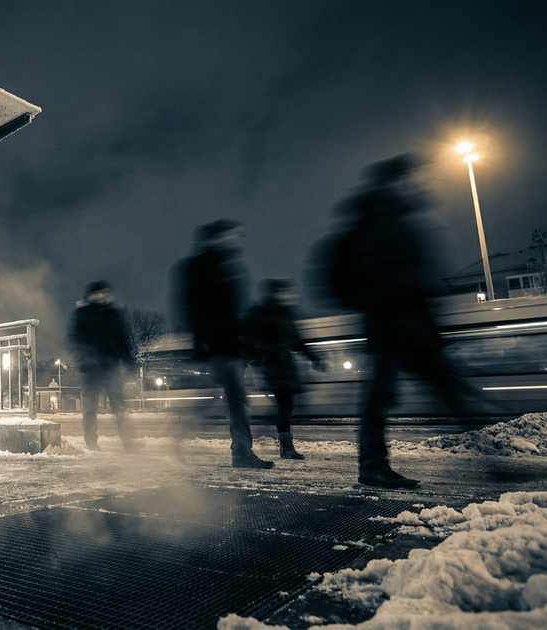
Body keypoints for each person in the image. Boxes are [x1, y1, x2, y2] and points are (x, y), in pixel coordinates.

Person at [335, 153, 474, 489]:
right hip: (391, 329)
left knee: (450, 392)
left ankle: (493, 463)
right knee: (381, 401)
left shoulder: (400, 219)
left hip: (414, 328)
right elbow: (347, 281)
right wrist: (386, 304)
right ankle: (371, 468)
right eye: (417, 176)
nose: (424, 181)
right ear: (398, 181)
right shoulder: (374, 223)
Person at [174, 219, 273, 469]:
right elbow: (192, 309)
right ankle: (179, 438)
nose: (236, 240)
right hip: (213, 348)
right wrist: (202, 343)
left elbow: (235, 312)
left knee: (237, 401)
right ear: (215, 237)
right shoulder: (197, 267)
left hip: (230, 348)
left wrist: (243, 345)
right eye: (231, 236)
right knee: (212, 402)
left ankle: (242, 453)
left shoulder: (229, 267)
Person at [243, 278, 325, 459]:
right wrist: (261, 359)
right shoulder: (267, 313)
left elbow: (295, 340)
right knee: (285, 404)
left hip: (283, 365)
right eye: (284, 292)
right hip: (274, 365)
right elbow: (293, 340)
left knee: (286, 405)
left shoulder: (276, 312)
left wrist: (314, 357)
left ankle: (283, 443)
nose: (290, 295)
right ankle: (285, 446)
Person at [68, 280, 137, 451]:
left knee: (119, 405)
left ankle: (128, 441)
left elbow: (122, 339)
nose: (102, 296)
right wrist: (85, 358)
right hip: (90, 369)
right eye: (98, 293)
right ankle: (91, 441)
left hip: (110, 365)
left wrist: (129, 360)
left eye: (105, 293)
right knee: (90, 407)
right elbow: (75, 339)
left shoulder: (113, 313)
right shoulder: (82, 314)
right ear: (91, 295)